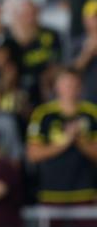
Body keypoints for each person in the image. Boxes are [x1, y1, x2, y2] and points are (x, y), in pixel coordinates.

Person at [26, 68, 97, 219]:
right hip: (51, 193)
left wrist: (78, 140)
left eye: (73, 83)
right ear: (56, 86)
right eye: (65, 83)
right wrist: (65, 141)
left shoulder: (92, 113)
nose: (69, 88)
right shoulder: (43, 114)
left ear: (80, 86)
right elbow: (33, 154)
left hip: (85, 192)